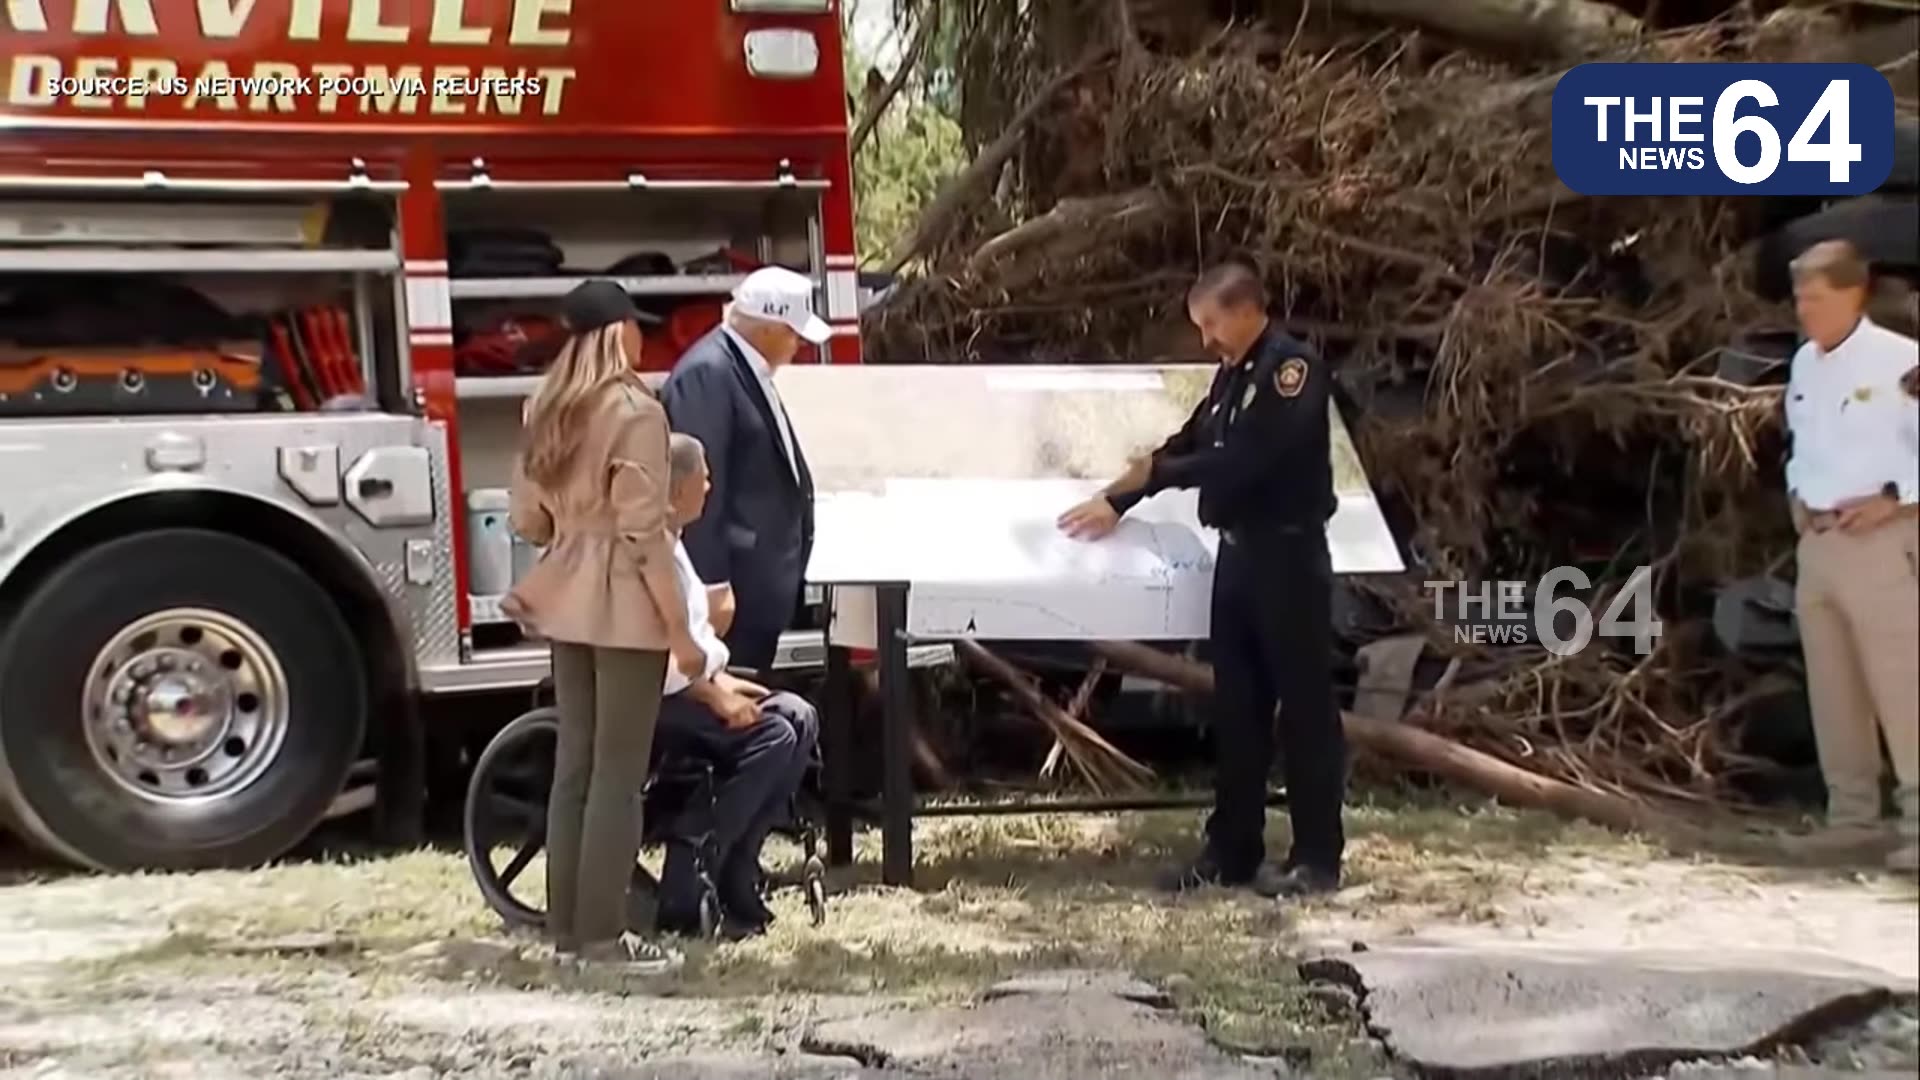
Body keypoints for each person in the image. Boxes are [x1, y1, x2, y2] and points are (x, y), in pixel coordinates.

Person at [1058, 261, 1346, 899]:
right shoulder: (1231, 376)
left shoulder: (1292, 373)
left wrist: (1159, 475)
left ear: (1245, 310)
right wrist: (1119, 497)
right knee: (1237, 707)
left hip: (1289, 558)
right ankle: (1232, 850)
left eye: (1211, 324)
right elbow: (1189, 441)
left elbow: (1241, 462)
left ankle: (1316, 857)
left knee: (1304, 710)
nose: (1205, 339)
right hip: (1237, 559)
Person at [505, 280, 706, 971]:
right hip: (624, 602)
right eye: (636, 326)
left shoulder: (544, 406)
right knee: (618, 777)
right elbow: (643, 532)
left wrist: (572, 528)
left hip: (565, 593)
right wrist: (680, 632)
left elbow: (528, 520)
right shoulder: (635, 411)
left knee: (575, 770)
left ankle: (567, 935)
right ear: (619, 332)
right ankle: (602, 938)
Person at [1779, 239, 1919, 874]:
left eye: (1816, 298)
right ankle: (1854, 820)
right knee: (1834, 689)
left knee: (1903, 686)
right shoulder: (1805, 364)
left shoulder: (1902, 362)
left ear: (1853, 293)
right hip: (1821, 543)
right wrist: (1797, 497)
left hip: (1883, 544)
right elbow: (1802, 441)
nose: (1804, 310)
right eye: (1798, 298)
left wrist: (1895, 498)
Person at [653, 432, 822, 939]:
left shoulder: (676, 545)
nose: (710, 485)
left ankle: (740, 863)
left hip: (695, 685)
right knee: (772, 737)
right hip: (663, 703)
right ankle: (692, 864)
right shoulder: (653, 553)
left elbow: (697, 643)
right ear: (678, 488)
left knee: (798, 716)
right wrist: (716, 695)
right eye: (703, 476)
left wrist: (726, 681)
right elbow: (662, 661)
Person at [659, 267, 826, 675]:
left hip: (758, 588)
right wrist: (711, 583)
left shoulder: (745, 369)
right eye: (793, 333)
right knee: (724, 695)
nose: (799, 344)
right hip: (734, 592)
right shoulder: (708, 374)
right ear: (768, 328)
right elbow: (697, 489)